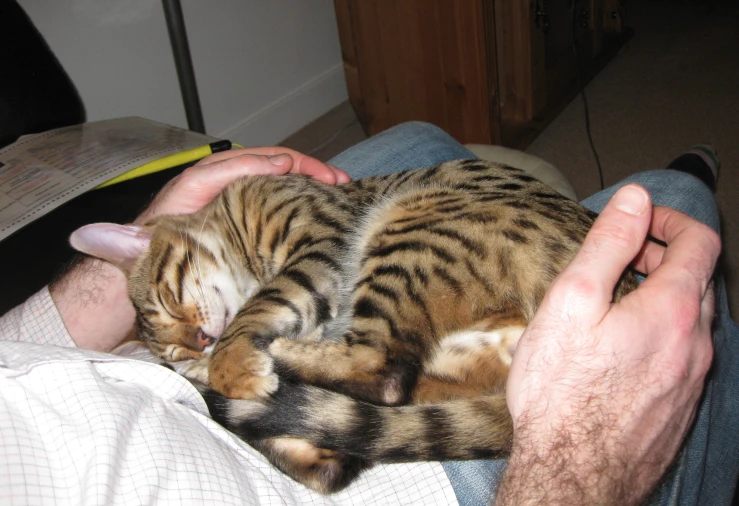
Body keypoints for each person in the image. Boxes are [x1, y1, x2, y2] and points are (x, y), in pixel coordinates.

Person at [0, 122, 735, 506]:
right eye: (173, 343)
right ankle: (685, 174)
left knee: (416, 139)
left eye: (174, 312)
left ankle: (414, 368)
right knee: (672, 207)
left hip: (435, 260)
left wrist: (144, 243)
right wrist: (242, 345)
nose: (193, 334)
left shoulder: (240, 220)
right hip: (330, 441)